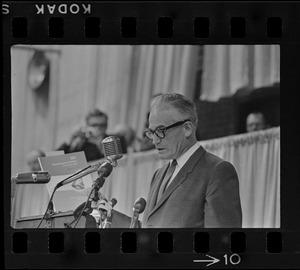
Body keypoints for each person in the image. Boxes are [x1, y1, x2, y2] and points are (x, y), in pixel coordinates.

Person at [141, 93, 242, 228]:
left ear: (187, 128)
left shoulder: (217, 171)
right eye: (151, 132)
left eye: (161, 130)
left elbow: (222, 242)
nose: (154, 140)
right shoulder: (158, 174)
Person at [57, 109, 127, 161]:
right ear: (87, 126)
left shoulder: (115, 140)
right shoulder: (82, 144)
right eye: (94, 125)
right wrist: (70, 140)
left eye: (102, 125)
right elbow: (57, 160)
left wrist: (101, 145)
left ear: (106, 126)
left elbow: (118, 161)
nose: (98, 128)